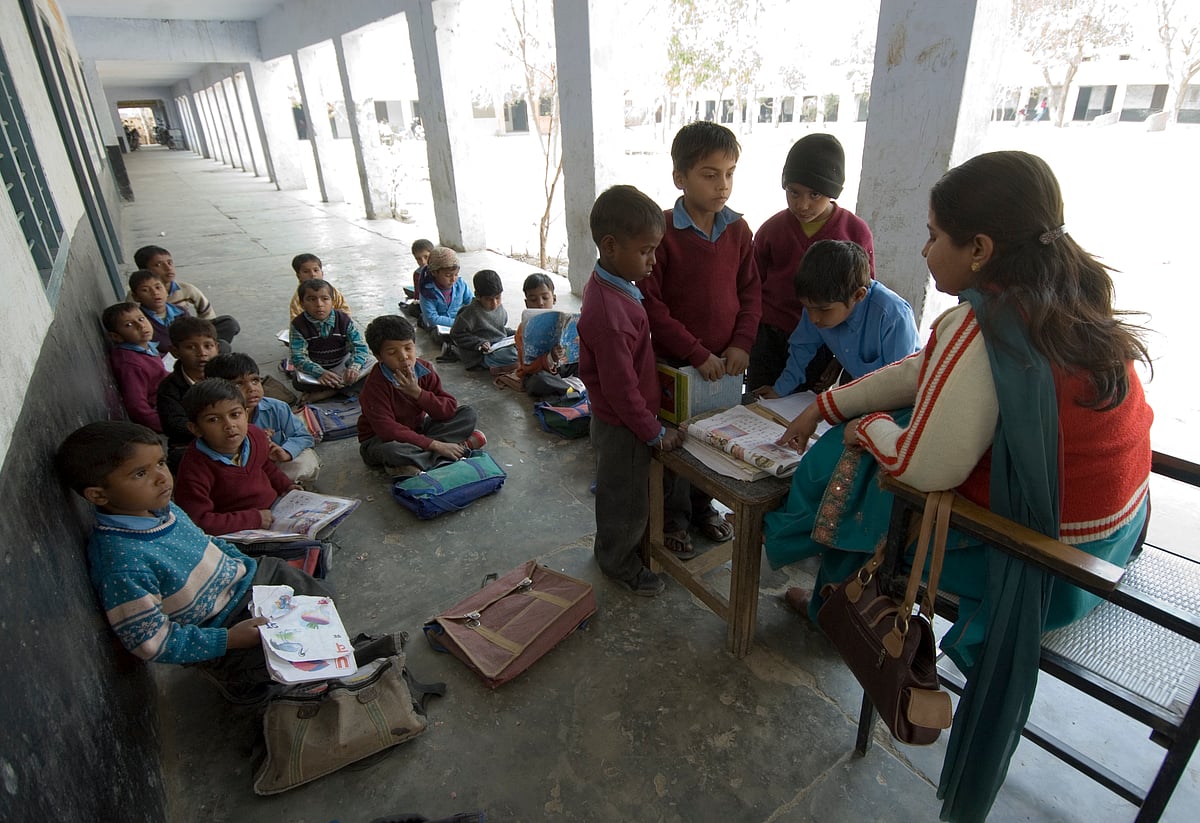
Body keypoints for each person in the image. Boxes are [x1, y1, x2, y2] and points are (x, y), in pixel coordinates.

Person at [763, 150, 1153, 821]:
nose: (923, 249)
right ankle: (829, 593)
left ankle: (838, 603)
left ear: (979, 249)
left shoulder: (981, 323)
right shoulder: (1066, 298)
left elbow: (924, 468)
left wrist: (862, 425)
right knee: (869, 439)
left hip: (1043, 567)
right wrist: (830, 403)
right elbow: (924, 369)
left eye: (933, 235)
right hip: (1112, 542)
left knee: (860, 473)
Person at [55, 420, 334, 704]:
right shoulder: (123, 563)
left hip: (247, 588)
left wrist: (243, 565)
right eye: (140, 473)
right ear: (98, 495)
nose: (162, 477)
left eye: (160, 463)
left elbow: (207, 541)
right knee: (285, 669)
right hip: (220, 627)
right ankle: (239, 683)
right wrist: (228, 639)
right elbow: (151, 641)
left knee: (311, 598)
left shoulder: (162, 509)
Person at [640, 121, 761, 557]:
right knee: (677, 443)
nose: (722, 185)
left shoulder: (738, 231)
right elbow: (652, 306)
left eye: (729, 173)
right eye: (710, 175)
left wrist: (741, 343)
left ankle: (703, 507)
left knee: (712, 441)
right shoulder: (662, 232)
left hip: (724, 367)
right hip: (676, 363)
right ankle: (672, 519)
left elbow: (751, 292)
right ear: (680, 178)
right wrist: (695, 352)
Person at [579, 185, 683, 597]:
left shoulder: (615, 286)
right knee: (625, 499)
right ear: (610, 246)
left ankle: (617, 548)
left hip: (622, 419)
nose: (653, 261)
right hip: (623, 425)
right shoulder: (610, 313)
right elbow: (621, 390)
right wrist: (652, 431)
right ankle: (619, 563)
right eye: (646, 251)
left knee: (620, 491)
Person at [748, 134, 875, 392]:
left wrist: (840, 357)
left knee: (803, 407)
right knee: (758, 402)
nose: (802, 205)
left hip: (823, 342)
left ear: (832, 192)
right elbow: (751, 287)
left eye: (815, 194)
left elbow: (862, 301)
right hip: (769, 340)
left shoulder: (854, 232)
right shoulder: (771, 231)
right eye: (793, 192)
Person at [752, 240, 919, 399]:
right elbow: (801, 349)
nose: (813, 318)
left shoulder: (893, 316)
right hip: (858, 387)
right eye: (807, 308)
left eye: (824, 310)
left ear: (858, 295)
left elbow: (899, 383)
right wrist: (779, 391)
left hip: (897, 398)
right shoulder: (818, 304)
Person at [357, 315, 485, 476]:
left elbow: (448, 410)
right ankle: (451, 450)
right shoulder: (375, 385)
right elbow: (388, 430)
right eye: (392, 352)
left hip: (418, 430)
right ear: (379, 357)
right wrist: (436, 445)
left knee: (467, 414)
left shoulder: (424, 369)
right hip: (380, 440)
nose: (403, 356)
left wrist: (417, 393)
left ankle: (412, 463)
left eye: (408, 348)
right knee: (392, 450)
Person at [173, 378, 299, 535]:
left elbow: (265, 466)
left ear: (245, 414)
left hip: (274, 509)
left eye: (235, 414)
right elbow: (198, 521)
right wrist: (253, 519)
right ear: (195, 429)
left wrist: (286, 487)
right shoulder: (195, 468)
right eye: (213, 419)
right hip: (236, 531)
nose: (229, 425)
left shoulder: (256, 436)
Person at [205, 353, 321, 487]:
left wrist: (286, 452)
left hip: (275, 464)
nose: (251, 388)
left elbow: (303, 436)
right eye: (238, 384)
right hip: (240, 470)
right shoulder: (216, 420)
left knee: (304, 461)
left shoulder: (277, 407)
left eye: (255, 380)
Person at [133, 245, 240, 349]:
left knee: (227, 324)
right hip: (165, 345)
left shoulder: (184, 295)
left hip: (188, 336)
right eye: (158, 265)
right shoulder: (136, 303)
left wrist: (205, 335)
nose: (168, 268)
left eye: (170, 263)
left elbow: (205, 311)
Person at [289, 278, 373, 399]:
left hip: (342, 365)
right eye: (312, 299)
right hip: (317, 368)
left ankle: (330, 391)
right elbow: (298, 357)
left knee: (374, 365)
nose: (319, 304)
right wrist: (320, 373)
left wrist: (353, 367)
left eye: (325, 298)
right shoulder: (298, 325)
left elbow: (360, 347)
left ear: (333, 301)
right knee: (298, 382)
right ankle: (342, 388)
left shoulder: (343, 320)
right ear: (302, 304)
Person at [157, 316, 220, 469]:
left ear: (217, 348)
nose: (202, 353)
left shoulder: (227, 377)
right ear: (175, 351)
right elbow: (174, 426)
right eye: (191, 347)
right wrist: (214, 429)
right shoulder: (169, 387)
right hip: (191, 443)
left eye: (208, 346)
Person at [104, 301, 169, 432]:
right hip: (164, 410)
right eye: (129, 325)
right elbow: (137, 407)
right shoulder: (130, 364)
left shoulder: (146, 347)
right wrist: (169, 426)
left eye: (141, 319)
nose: (140, 325)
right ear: (116, 336)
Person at [515, 273, 579, 399]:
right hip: (537, 372)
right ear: (526, 303)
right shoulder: (523, 329)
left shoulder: (562, 321)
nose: (540, 303)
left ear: (554, 299)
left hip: (562, 368)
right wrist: (550, 357)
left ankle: (569, 387)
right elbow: (527, 367)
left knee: (589, 363)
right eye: (533, 299)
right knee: (538, 381)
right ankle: (572, 390)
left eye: (545, 297)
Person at [449, 269, 518, 371]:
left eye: (498, 298)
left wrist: (517, 333)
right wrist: (479, 343)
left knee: (524, 346)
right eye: (489, 299)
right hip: (482, 354)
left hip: (499, 345)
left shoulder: (499, 308)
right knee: (510, 355)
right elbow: (456, 334)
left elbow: (500, 329)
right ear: (477, 296)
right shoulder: (469, 313)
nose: (494, 303)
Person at [418, 247, 474, 352]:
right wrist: (459, 323)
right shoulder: (427, 291)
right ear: (434, 272)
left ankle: (456, 345)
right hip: (439, 326)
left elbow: (471, 302)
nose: (453, 279)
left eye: (456, 274)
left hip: (459, 322)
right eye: (448, 275)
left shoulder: (460, 284)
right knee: (438, 335)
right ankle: (452, 347)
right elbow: (432, 318)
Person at [129, 269, 190, 356]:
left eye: (158, 287)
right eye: (145, 290)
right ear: (136, 297)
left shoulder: (181, 312)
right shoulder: (139, 320)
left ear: (166, 290)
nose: (155, 293)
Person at [288, 253, 351, 320]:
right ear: (298, 276)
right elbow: (295, 321)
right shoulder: (298, 299)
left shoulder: (332, 291)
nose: (313, 274)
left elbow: (345, 310)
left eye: (316, 270)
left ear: (322, 273)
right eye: (306, 272)